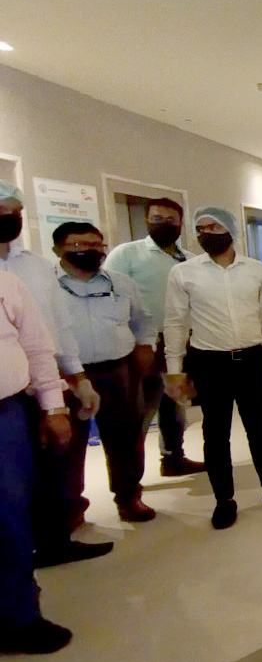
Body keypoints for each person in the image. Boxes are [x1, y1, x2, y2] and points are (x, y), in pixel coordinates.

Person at [0, 182, 111, 568]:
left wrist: (78, 379)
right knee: (10, 487)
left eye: (14, 211)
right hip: (8, 396)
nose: (9, 218)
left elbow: (55, 329)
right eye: (1, 211)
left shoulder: (34, 268)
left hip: (43, 388)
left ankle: (54, 542)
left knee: (53, 470)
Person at [163, 206, 262, 529]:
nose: (207, 234)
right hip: (209, 363)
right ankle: (224, 499)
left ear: (231, 231)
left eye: (214, 227)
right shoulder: (184, 273)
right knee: (215, 433)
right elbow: (175, 323)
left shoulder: (256, 270)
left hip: (251, 360)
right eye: (201, 229)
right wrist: (174, 369)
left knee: (260, 428)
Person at [53, 222, 159, 523]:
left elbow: (144, 319)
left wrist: (145, 346)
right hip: (66, 375)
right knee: (68, 444)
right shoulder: (47, 285)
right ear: (57, 249)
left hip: (118, 369)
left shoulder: (121, 283)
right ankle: (71, 506)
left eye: (96, 244)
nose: (89, 250)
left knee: (126, 436)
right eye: (78, 245)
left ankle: (129, 496)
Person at [0, 271, 74, 654]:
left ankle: (19, 618)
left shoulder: (6, 282)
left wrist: (53, 407)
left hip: (4, 414)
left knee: (9, 519)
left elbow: (36, 347)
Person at [104, 197, 204, 477]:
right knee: (140, 411)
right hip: (143, 344)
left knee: (175, 406)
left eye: (170, 220)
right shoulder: (127, 254)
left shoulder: (190, 259)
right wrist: (133, 340)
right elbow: (111, 296)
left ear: (181, 224)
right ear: (146, 220)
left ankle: (173, 458)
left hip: (181, 343)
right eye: (157, 219)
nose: (164, 224)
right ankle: (127, 480)